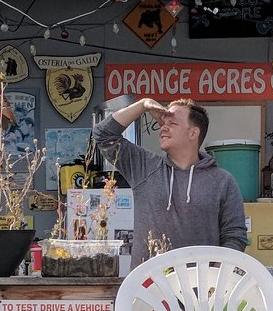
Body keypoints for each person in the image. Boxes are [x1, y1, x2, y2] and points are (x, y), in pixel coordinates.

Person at [91, 97, 248, 256]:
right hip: (150, 273)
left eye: (172, 124)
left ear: (193, 133)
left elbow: (235, 236)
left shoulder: (222, 181)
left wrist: (215, 268)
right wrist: (143, 105)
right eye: (162, 124)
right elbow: (102, 134)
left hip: (202, 273)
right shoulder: (144, 167)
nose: (163, 128)